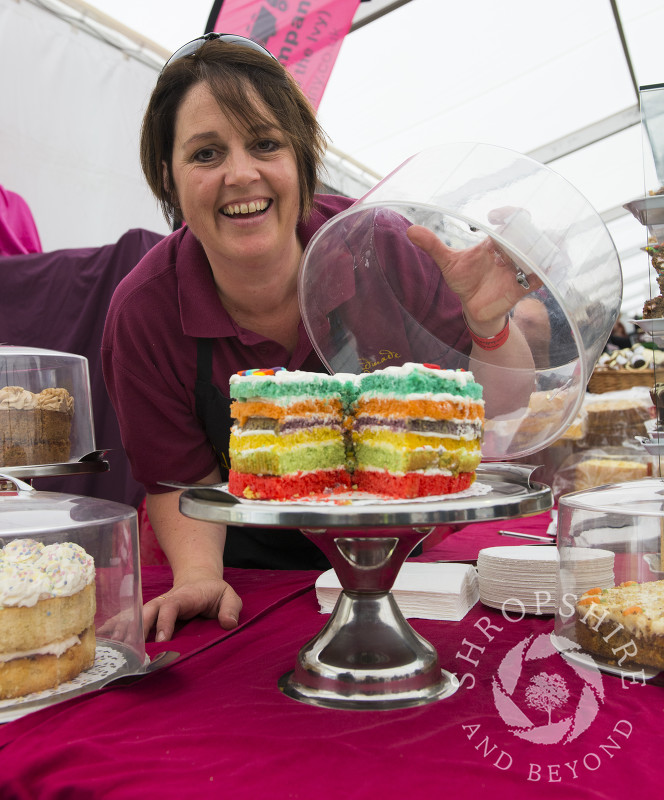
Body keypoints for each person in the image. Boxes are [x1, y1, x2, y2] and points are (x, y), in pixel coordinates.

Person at [102, 33, 538, 642]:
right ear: (168, 179)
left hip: (405, 561)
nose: (241, 174)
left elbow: (501, 410)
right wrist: (200, 574)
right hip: (247, 577)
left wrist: (489, 325)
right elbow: (180, 481)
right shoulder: (145, 314)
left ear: (303, 159)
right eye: (205, 154)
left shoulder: (381, 247)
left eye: (265, 143)